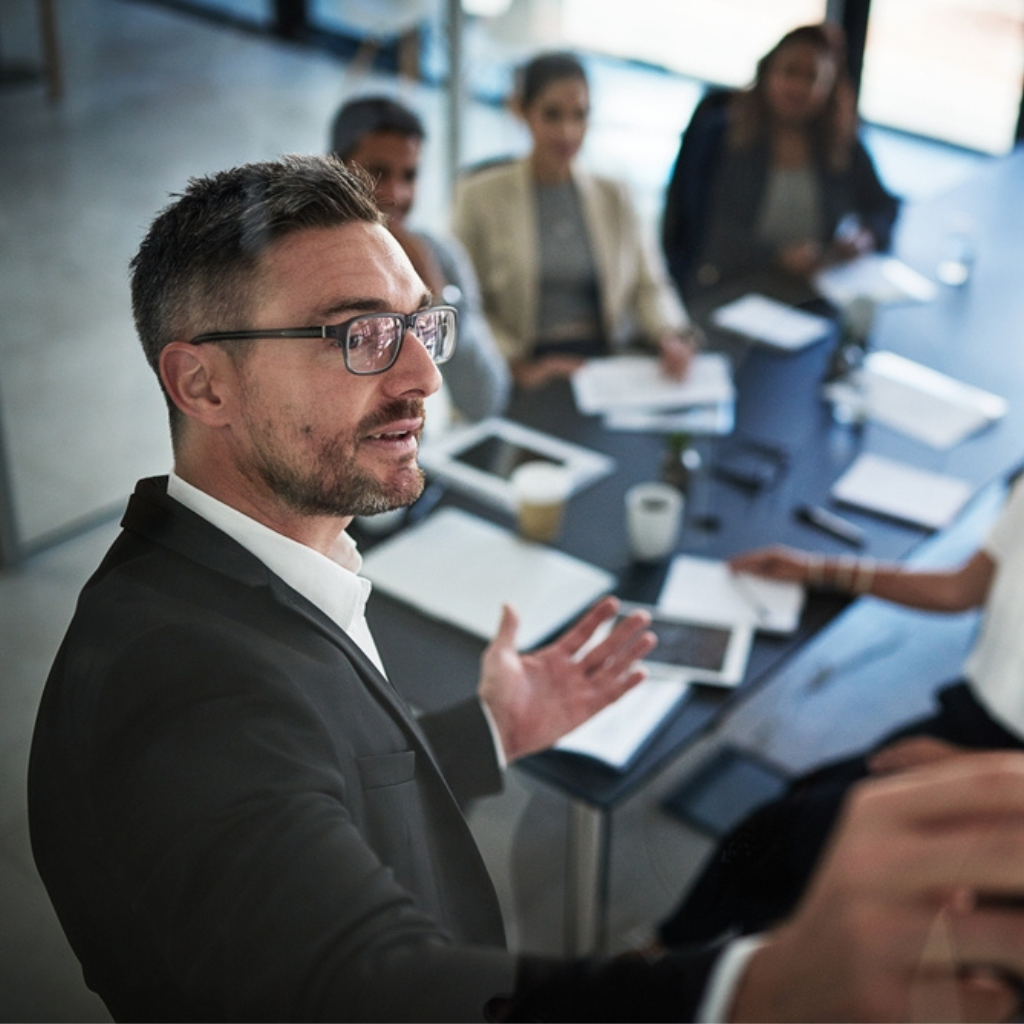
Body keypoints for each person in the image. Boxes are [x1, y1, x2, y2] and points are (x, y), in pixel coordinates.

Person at [27, 154, 1024, 1022]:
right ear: (202, 385)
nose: (422, 374)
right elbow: (362, 993)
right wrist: (747, 998)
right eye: (358, 335)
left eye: (422, 325)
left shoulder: (261, 564)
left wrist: (492, 730)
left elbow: (324, 780)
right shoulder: (179, 686)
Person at [659, 470, 1024, 949]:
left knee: (807, 844)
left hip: (1003, 773)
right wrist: (820, 569)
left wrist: (970, 770)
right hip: (973, 718)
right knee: (788, 814)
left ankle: (695, 965)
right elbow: (962, 589)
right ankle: (677, 956)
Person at [451, 51, 700, 390]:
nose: (568, 132)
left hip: (602, 363)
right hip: (525, 366)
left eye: (579, 115)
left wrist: (671, 333)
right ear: (521, 111)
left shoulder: (615, 194)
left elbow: (649, 284)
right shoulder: (479, 195)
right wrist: (517, 365)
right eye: (552, 115)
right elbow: (464, 304)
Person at [661, 23, 900, 323]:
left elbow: (884, 206)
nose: (798, 88)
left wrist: (866, 235)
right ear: (768, 73)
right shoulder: (723, 137)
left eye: (811, 78)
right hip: (730, 286)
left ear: (828, 88)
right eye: (790, 73)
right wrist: (777, 256)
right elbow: (702, 231)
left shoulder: (840, 143)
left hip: (810, 295)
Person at [330, 94, 511, 425]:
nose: (397, 194)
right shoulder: (304, 263)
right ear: (334, 167)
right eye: (378, 172)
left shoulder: (441, 257)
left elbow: (486, 399)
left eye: (409, 176)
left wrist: (439, 300)